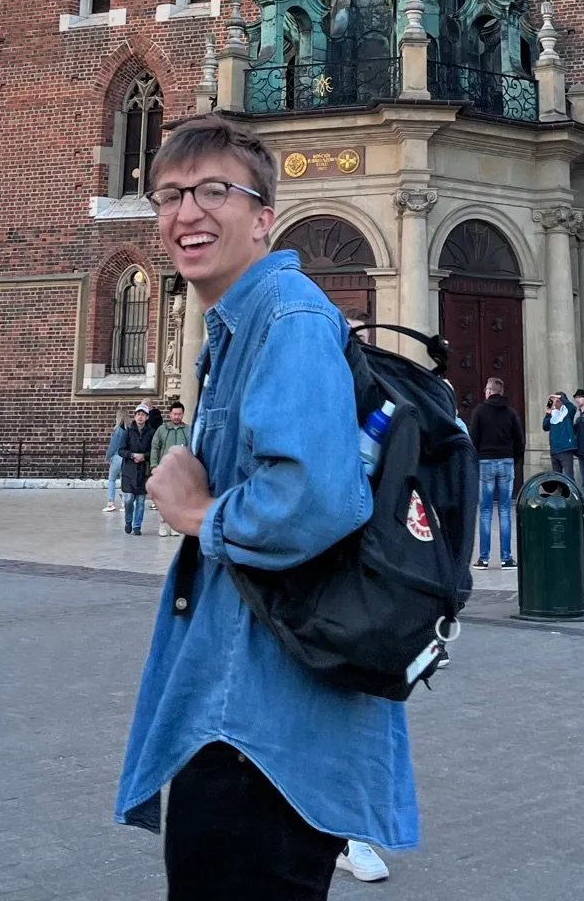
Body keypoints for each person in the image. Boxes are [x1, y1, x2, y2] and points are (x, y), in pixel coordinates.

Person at [117, 116, 416, 898]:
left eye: (216, 190)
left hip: (261, 726)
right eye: (171, 195)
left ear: (263, 218)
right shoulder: (245, 324)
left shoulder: (286, 318)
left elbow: (316, 498)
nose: (188, 212)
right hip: (242, 711)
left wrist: (195, 514)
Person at [469, 375, 525, 566]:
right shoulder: (510, 413)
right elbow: (520, 440)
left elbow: (473, 439)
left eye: (486, 389)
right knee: (505, 510)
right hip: (506, 462)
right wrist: (512, 459)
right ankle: (506, 558)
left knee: (485, 511)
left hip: (485, 462)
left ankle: (484, 558)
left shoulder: (479, 412)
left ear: (490, 391)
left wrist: (476, 460)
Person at [150, 400, 191, 537]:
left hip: (181, 471)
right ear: (170, 414)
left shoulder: (187, 430)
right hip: (164, 470)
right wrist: (154, 465)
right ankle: (163, 523)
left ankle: (175, 525)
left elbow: (192, 449)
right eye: (174, 414)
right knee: (164, 499)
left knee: (178, 499)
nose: (177, 417)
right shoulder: (162, 430)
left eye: (179, 414)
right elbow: (155, 448)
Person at [120, 403, 159, 535]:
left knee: (141, 501)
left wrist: (144, 456)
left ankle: (137, 525)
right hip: (129, 470)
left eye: (143, 414)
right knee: (129, 499)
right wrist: (132, 455)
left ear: (147, 417)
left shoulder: (152, 433)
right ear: (135, 416)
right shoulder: (128, 432)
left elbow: (154, 450)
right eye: (138, 414)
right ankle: (128, 521)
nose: (140, 417)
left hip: (143, 470)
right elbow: (121, 450)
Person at [543, 392, 578, 483]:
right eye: (554, 401)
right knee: (557, 479)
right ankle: (560, 496)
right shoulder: (552, 414)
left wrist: (560, 397)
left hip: (566, 449)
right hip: (554, 450)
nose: (556, 403)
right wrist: (548, 412)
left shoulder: (567, 411)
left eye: (558, 401)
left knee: (569, 477)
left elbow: (572, 407)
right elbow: (545, 426)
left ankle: (571, 496)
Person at [104, 411, 129, 515]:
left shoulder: (117, 430)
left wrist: (108, 456)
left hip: (117, 457)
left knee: (112, 479)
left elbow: (113, 446)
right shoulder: (129, 430)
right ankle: (124, 503)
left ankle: (110, 503)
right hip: (125, 457)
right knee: (124, 480)